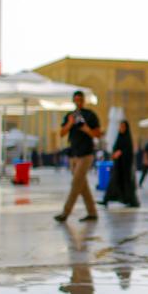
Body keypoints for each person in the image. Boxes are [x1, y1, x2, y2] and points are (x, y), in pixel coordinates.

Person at [55, 90, 102, 223]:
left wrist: (87, 129)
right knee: (82, 185)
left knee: (76, 183)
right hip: (73, 154)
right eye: (76, 99)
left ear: (83, 100)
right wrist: (70, 123)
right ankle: (92, 213)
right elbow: (62, 133)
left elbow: (98, 134)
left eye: (80, 99)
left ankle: (65, 213)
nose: (78, 102)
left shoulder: (90, 115)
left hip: (86, 154)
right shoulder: (70, 116)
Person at [103, 120, 139, 208]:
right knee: (113, 182)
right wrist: (115, 153)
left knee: (126, 183)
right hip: (118, 165)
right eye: (120, 126)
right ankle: (106, 199)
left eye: (123, 127)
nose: (121, 128)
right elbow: (115, 148)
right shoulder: (119, 137)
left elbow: (129, 152)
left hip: (125, 167)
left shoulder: (127, 139)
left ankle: (130, 201)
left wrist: (121, 152)